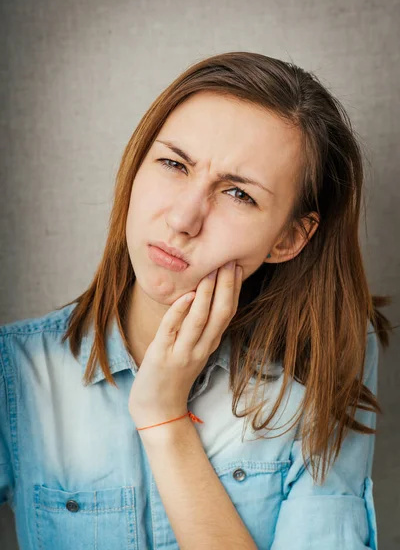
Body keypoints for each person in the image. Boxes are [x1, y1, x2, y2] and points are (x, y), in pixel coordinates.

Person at [0, 51, 394, 550]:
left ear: (289, 238)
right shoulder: (16, 370)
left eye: (238, 194)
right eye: (173, 163)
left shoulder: (328, 356)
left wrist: (164, 417)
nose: (184, 218)